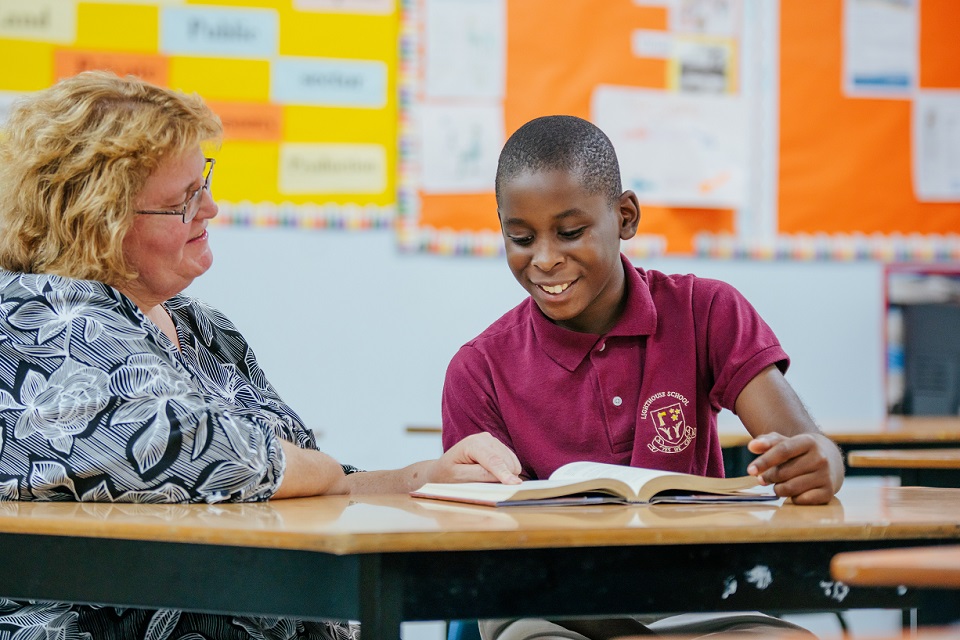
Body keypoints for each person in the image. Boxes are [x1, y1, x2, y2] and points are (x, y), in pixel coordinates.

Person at [0, 70, 521, 640]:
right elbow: (207, 451)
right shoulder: (39, 320)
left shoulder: (202, 328)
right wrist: (309, 469)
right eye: (184, 201)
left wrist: (424, 477)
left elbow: (304, 480)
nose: (212, 209)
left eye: (205, 182)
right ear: (98, 221)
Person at [441, 115, 845, 639]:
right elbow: (485, 557)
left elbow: (803, 448)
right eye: (520, 238)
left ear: (625, 216)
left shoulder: (707, 311)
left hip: (693, 599)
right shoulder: (479, 369)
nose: (544, 259)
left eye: (570, 232)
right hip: (548, 613)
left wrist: (824, 464)